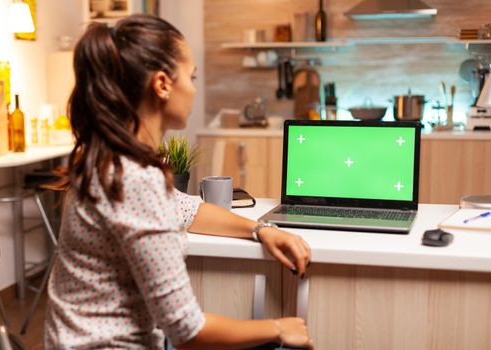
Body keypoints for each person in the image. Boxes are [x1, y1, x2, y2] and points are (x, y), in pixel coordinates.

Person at [45, 14, 314, 350]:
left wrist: (262, 230)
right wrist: (278, 327)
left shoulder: (111, 160)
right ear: (162, 84)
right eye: (191, 76)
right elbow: (188, 331)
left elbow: (187, 209)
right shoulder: (134, 180)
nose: (194, 87)